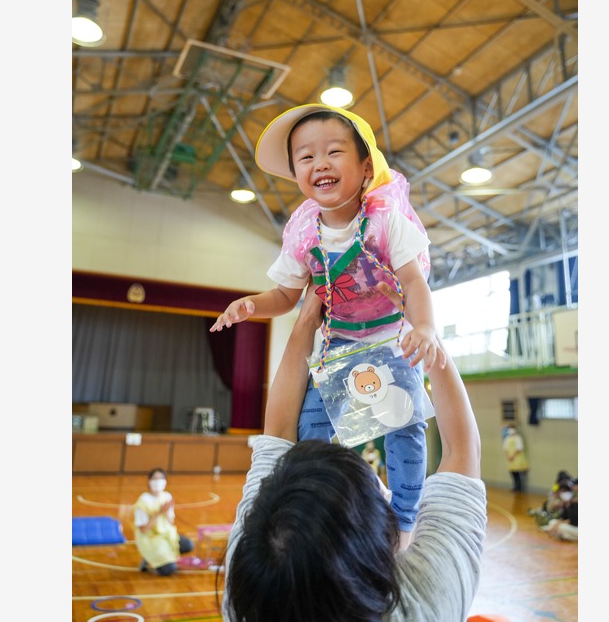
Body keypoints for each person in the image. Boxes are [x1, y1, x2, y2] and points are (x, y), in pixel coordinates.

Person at [210, 103, 447, 548]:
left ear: (365, 166)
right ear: (297, 174)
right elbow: (285, 296)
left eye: (334, 152)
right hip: (337, 347)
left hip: (391, 341)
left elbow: (415, 281)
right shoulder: (304, 234)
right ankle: (314, 509)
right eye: (306, 157)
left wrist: (425, 328)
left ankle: (404, 521)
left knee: (406, 430)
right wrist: (251, 306)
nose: (319, 163)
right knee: (311, 430)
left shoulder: (385, 221)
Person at [222, 292, 485, 622]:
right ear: (374, 545)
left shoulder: (248, 590)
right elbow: (463, 450)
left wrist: (307, 317)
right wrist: (424, 327)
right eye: (376, 491)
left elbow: (278, 431)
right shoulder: (426, 602)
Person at [132, 468, 195, 576]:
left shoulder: (166, 496)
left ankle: (161, 557)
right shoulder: (143, 501)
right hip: (150, 539)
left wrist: (166, 512)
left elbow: (171, 522)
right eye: (155, 479)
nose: (158, 482)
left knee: (188, 545)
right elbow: (143, 529)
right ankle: (149, 559)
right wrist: (159, 512)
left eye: (161, 478)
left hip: (166, 535)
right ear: (149, 481)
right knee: (168, 570)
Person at [539, 475, 577, 542]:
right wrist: (556, 525)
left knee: (562, 528)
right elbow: (563, 517)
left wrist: (558, 525)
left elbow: (573, 520)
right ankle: (556, 531)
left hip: (575, 526)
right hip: (568, 524)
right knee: (552, 522)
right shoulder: (567, 502)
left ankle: (559, 533)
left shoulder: (575, 502)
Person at [502, 424, 529, 491]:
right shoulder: (507, 438)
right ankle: (515, 486)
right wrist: (508, 456)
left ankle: (519, 487)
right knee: (512, 473)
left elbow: (519, 448)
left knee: (518, 473)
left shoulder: (518, 438)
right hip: (510, 459)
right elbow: (505, 448)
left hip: (517, 458)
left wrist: (513, 455)